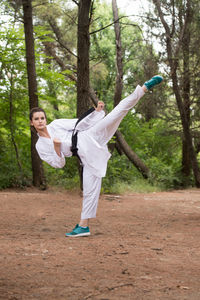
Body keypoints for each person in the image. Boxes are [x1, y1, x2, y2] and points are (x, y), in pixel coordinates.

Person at [30, 75, 163, 237]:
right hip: (84, 155)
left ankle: (143, 88)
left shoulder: (55, 125)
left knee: (116, 113)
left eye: (42, 117)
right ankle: (83, 226)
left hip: (89, 136)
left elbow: (78, 123)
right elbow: (59, 163)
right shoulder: (40, 146)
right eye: (36, 119)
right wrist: (57, 148)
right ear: (32, 123)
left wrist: (96, 113)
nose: (40, 121)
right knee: (90, 189)